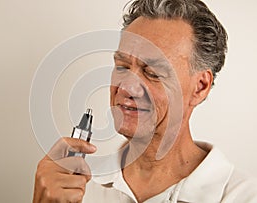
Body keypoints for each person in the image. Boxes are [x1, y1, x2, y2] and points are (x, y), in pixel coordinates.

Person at [33, 0, 257, 202]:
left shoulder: (243, 196)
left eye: (152, 72)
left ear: (200, 87)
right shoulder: (76, 185)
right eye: (122, 66)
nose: (126, 87)